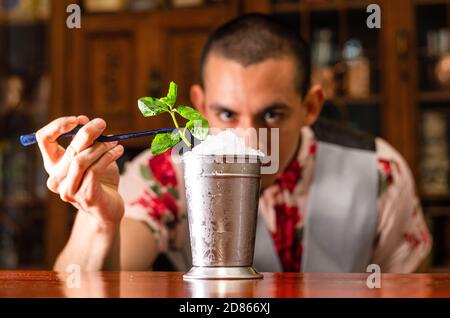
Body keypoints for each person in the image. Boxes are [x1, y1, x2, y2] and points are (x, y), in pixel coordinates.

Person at [36, 14, 431, 273]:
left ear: (310, 106)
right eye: (227, 115)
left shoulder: (379, 171)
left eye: (271, 115)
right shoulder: (168, 173)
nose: (248, 139)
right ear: (200, 106)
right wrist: (100, 221)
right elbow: (84, 283)